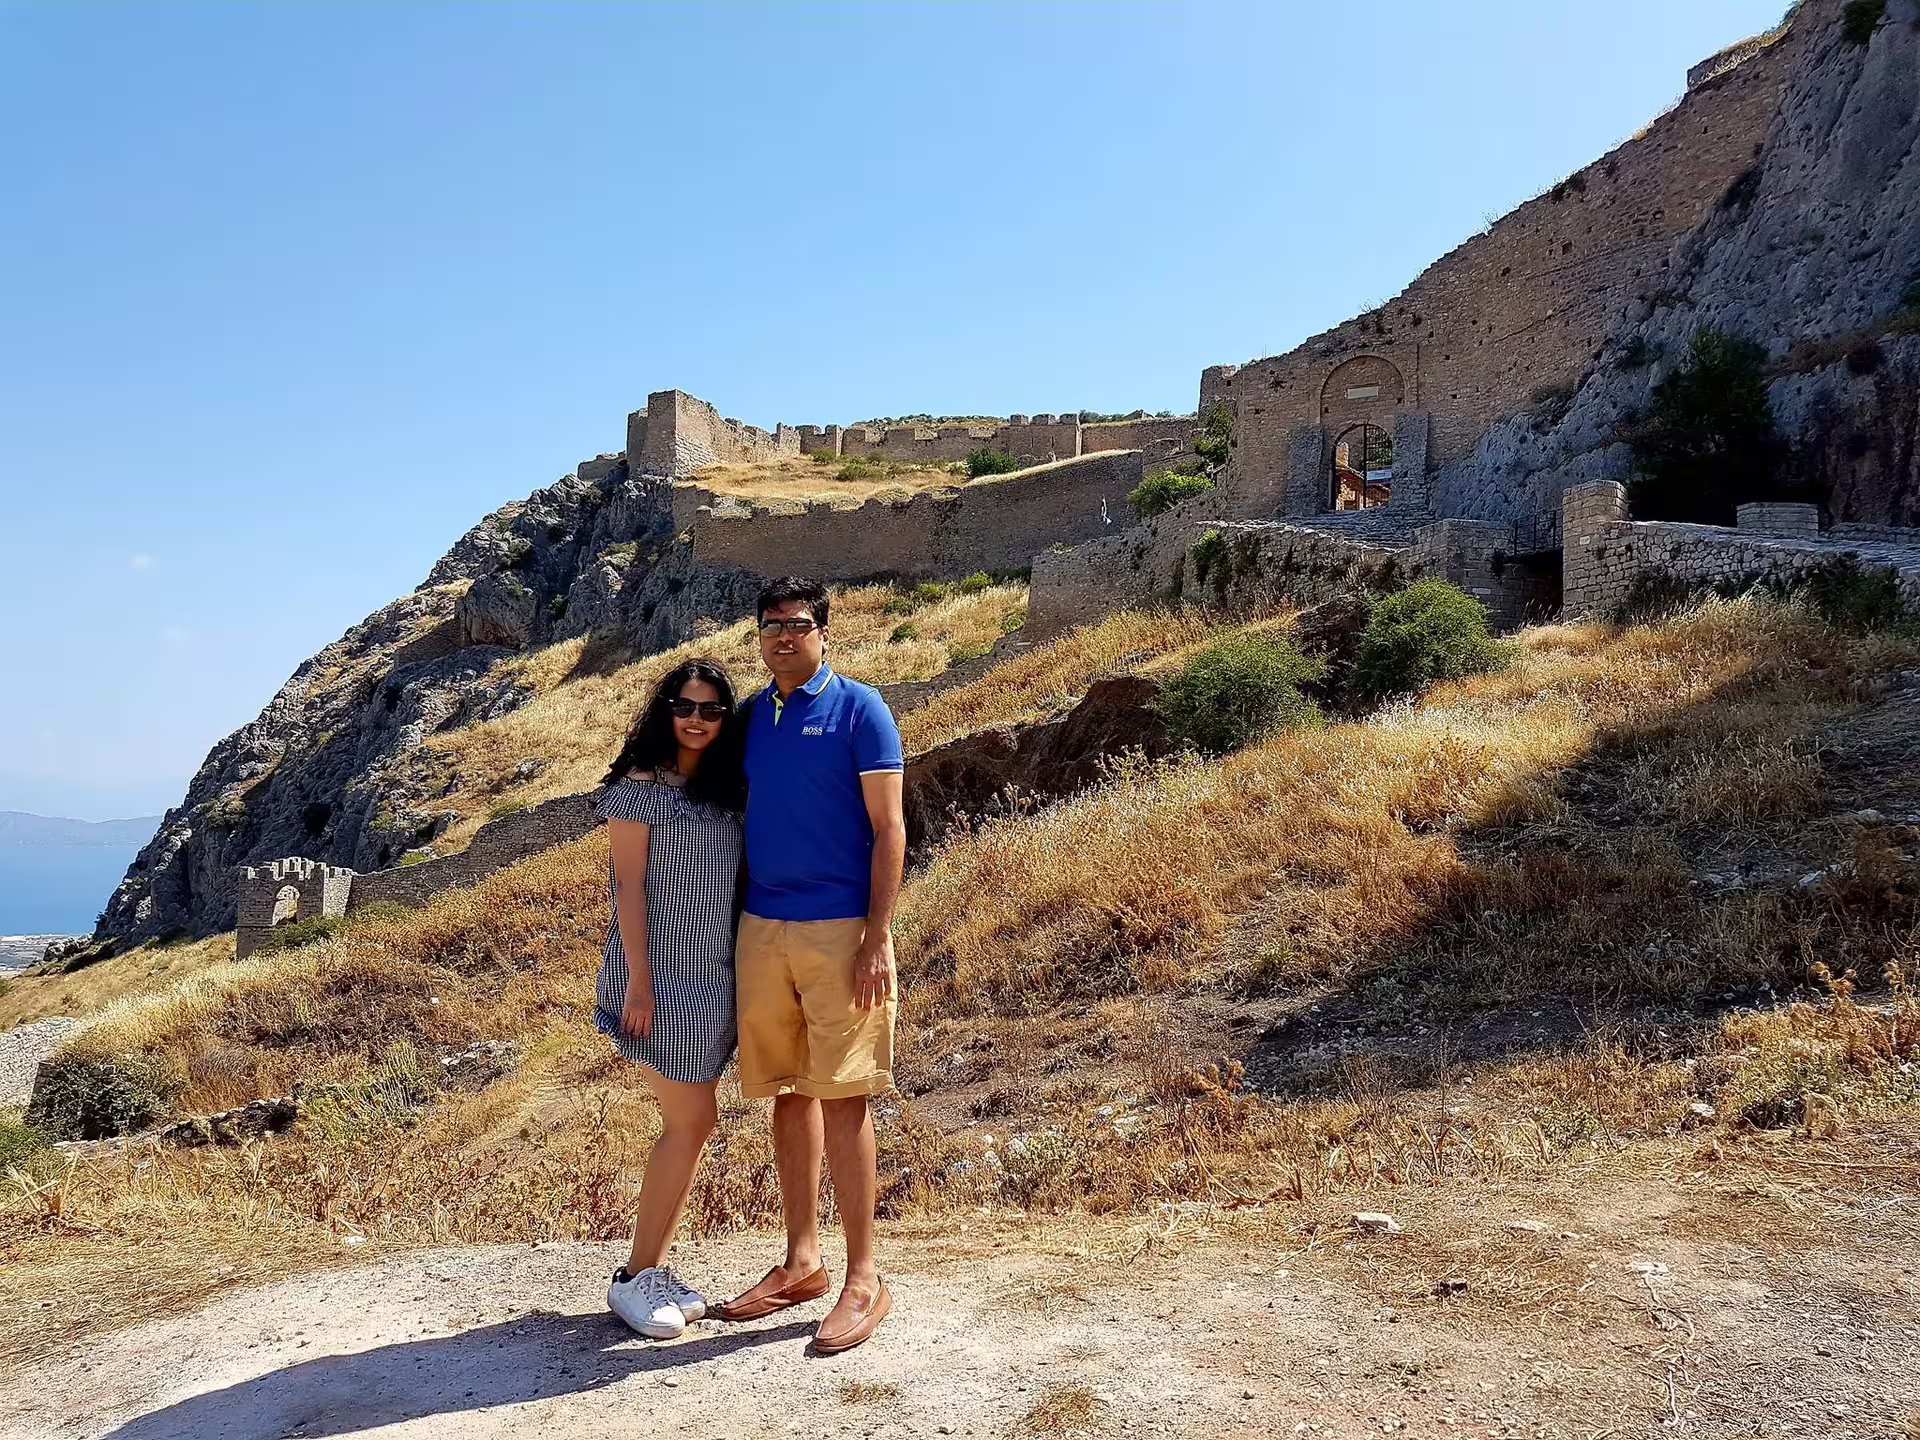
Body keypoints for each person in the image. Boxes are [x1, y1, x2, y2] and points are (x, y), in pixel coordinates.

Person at [713, 577, 907, 1355]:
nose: (782, 638)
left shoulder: (862, 709)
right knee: (786, 1093)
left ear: (825, 632)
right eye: (769, 627)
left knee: (845, 1095)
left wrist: (877, 936)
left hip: (839, 930)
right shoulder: (753, 718)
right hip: (763, 928)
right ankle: (801, 1263)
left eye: (797, 626)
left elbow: (889, 830)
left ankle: (864, 1278)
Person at [594, 659, 748, 1340]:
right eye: (685, 706)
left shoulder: (727, 789)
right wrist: (640, 980)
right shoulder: (640, 786)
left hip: (717, 976)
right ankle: (633, 1278)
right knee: (688, 1121)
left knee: (697, 1123)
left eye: (711, 710)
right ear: (666, 709)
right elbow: (625, 888)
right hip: (658, 978)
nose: (696, 719)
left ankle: (650, 1269)